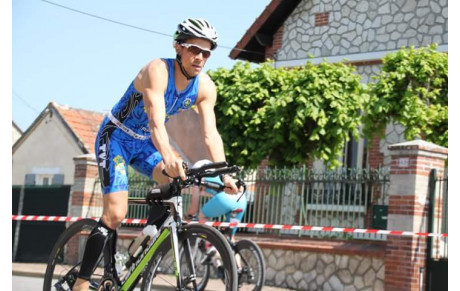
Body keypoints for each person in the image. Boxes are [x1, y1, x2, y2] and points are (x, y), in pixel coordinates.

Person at [73, 18, 240, 291]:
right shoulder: (157, 70)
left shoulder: (206, 87)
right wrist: (169, 155)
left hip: (145, 145)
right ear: (178, 46)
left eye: (206, 52)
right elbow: (156, 123)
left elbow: (210, 135)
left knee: (177, 181)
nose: (200, 57)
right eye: (193, 49)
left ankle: (144, 241)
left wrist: (224, 173)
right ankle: (80, 282)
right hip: (116, 138)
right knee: (115, 214)